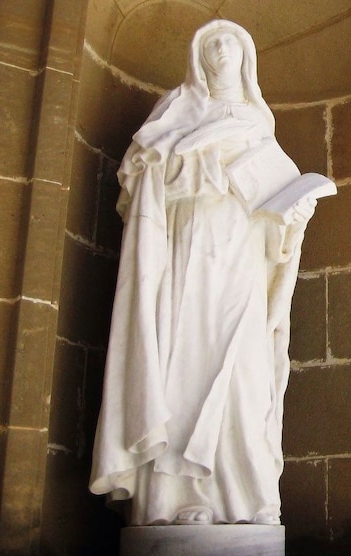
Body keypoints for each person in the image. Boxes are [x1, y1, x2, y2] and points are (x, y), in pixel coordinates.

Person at [90, 19, 322, 527]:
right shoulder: (178, 112)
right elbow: (142, 177)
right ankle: (173, 501)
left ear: (247, 58)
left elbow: (276, 211)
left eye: (232, 42)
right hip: (189, 251)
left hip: (241, 254)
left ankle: (246, 498)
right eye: (212, 42)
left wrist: (294, 217)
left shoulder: (261, 129)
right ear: (199, 56)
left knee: (244, 368)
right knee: (183, 361)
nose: (222, 49)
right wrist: (199, 168)